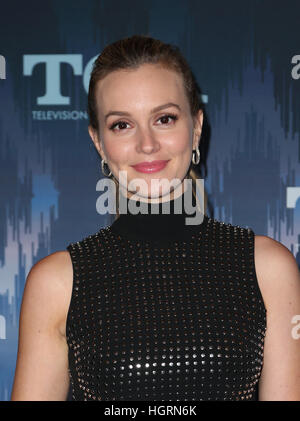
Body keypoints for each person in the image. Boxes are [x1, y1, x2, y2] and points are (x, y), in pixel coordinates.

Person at [11, 35, 300, 401]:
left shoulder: (266, 267)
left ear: (195, 128)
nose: (147, 144)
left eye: (164, 119)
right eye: (121, 125)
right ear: (98, 141)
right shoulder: (58, 282)